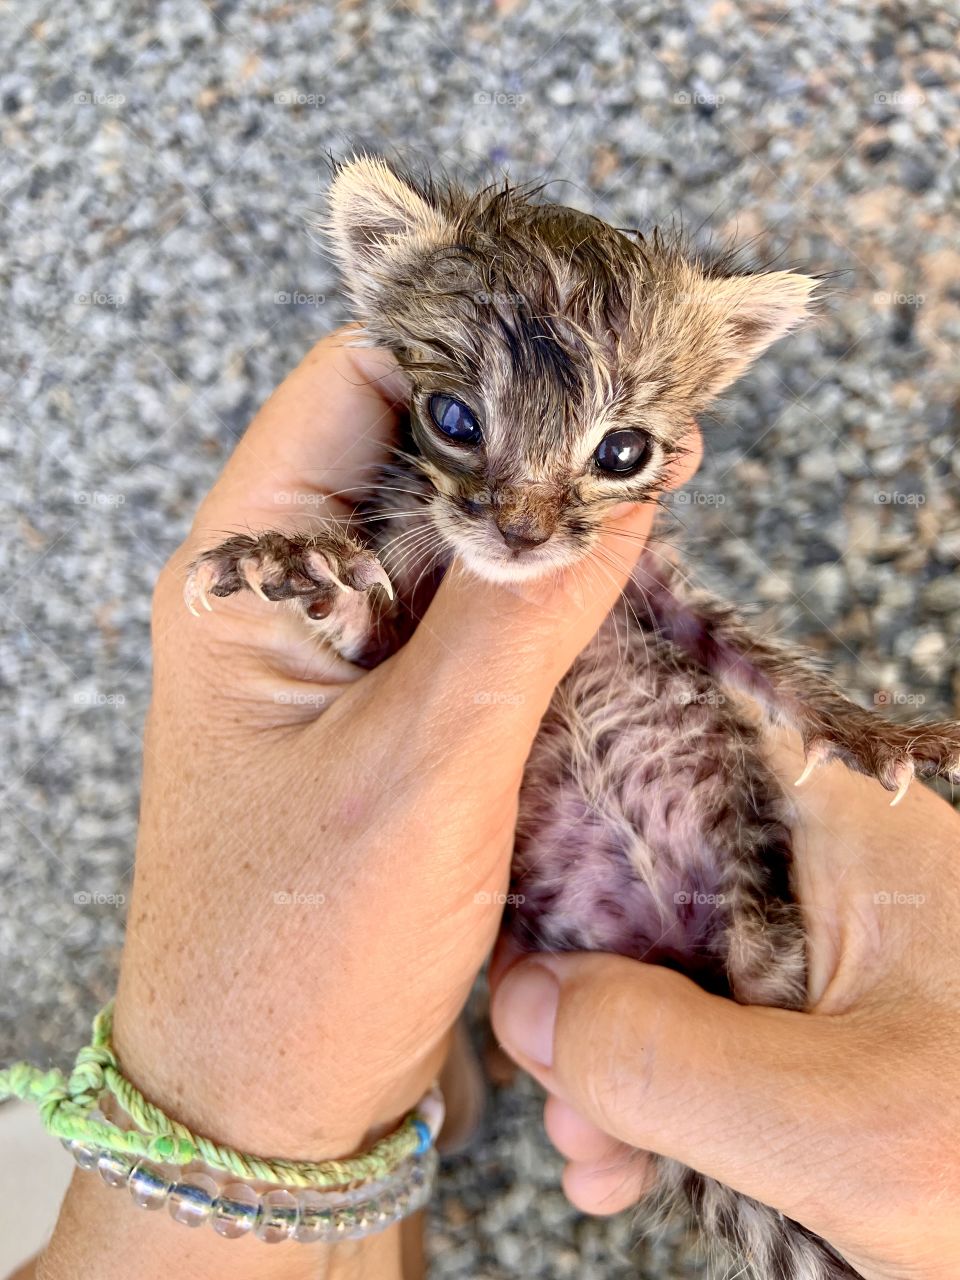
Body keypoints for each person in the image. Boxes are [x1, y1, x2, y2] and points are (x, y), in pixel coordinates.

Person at [17, 331, 960, 1280]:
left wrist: (856, 730)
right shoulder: (404, 514)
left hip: (709, 903)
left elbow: (702, 634)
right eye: (461, 423)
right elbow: (388, 644)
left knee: (769, 1188)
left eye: (616, 452)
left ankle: (404, 1108)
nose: (523, 522)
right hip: (632, 917)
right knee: (752, 1166)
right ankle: (410, 1111)